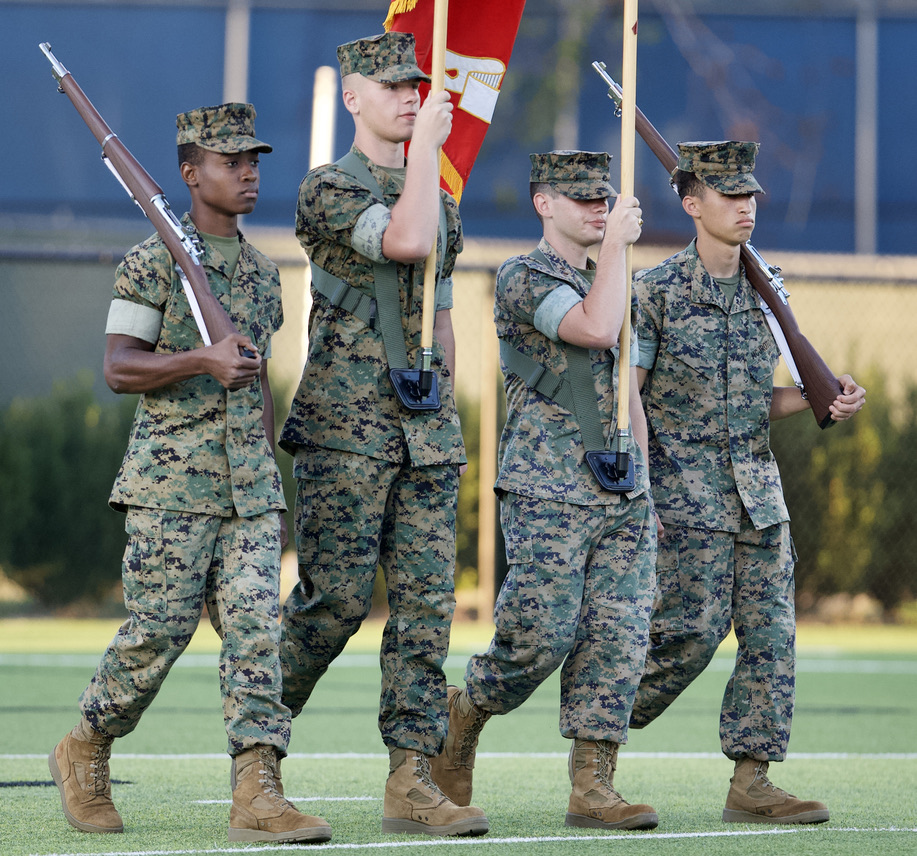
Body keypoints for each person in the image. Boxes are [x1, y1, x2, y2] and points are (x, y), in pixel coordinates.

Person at [48, 103, 331, 845]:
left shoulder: (263, 274)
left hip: (248, 489)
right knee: (160, 631)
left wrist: (270, 482)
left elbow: (258, 382)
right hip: (172, 485)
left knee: (257, 635)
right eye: (230, 161)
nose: (248, 173)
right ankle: (85, 744)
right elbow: (119, 367)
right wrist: (201, 360)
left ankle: (258, 792)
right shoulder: (151, 262)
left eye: (253, 160)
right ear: (189, 173)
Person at [276, 32, 487, 837]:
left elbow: (440, 311)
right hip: (346, 427)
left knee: (426, 611)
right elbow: (403, 241)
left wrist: (446, 413)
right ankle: (257, 743)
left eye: (415, 86)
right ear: (352, 97)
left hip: (423, 433)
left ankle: (411, 777)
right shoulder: (328, 188)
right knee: (332, 605)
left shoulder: (439, 198)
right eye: (392, 85)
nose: (409, 96)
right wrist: (427, 152)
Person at [629, 140, 866, 824]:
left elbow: (753, 399)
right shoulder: (656, 292)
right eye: (729, 194)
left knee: (772, 637)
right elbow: (629, 398)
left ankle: (752, 781)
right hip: (685, 498)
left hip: (758, 498)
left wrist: (823, 396)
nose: (745, 206)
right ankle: (595, 726)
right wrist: (641, 493)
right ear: (691, 203)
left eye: (749, 194)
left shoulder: (767, 290)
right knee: (687, 638)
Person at [430, 151, 659, 831]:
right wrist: (616, 249)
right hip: (549, 486)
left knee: (617, 639)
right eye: (581, 198)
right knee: (539, 636)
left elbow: (627, 387)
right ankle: (465, 710)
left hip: (621, 490)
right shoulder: (522, 277)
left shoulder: (614, 280)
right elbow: (592, 328)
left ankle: (593, 786)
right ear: (543, 203)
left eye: (603, 198)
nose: (597, 208)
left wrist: (646, 482)